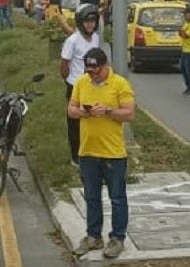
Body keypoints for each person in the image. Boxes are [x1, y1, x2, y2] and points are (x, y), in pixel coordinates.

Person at [67, 48, 135, 260]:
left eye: (96, 71)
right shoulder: (81, 82)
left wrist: (107, 111)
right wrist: (85, 112)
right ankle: (93, 236)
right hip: (87, 150)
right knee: (91, 197)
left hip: (113, 153)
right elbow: (71, 109)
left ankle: (117, 238)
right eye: (89, 71)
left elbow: (130, 114)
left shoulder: (120, 84)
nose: (92, 75)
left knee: (117, 198)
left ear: (106, 66)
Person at [60, 3, 103, 166]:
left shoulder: (96, 38)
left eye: (93, 21)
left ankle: (91, 151)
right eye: (87, 21)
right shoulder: (72, 41)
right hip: (75, 86)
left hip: (92, 85)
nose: (90, 24)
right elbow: (64, 64)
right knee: (75, 122)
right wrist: (69, 81)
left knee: (93, 119)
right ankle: (76, 156)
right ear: (80, 22)